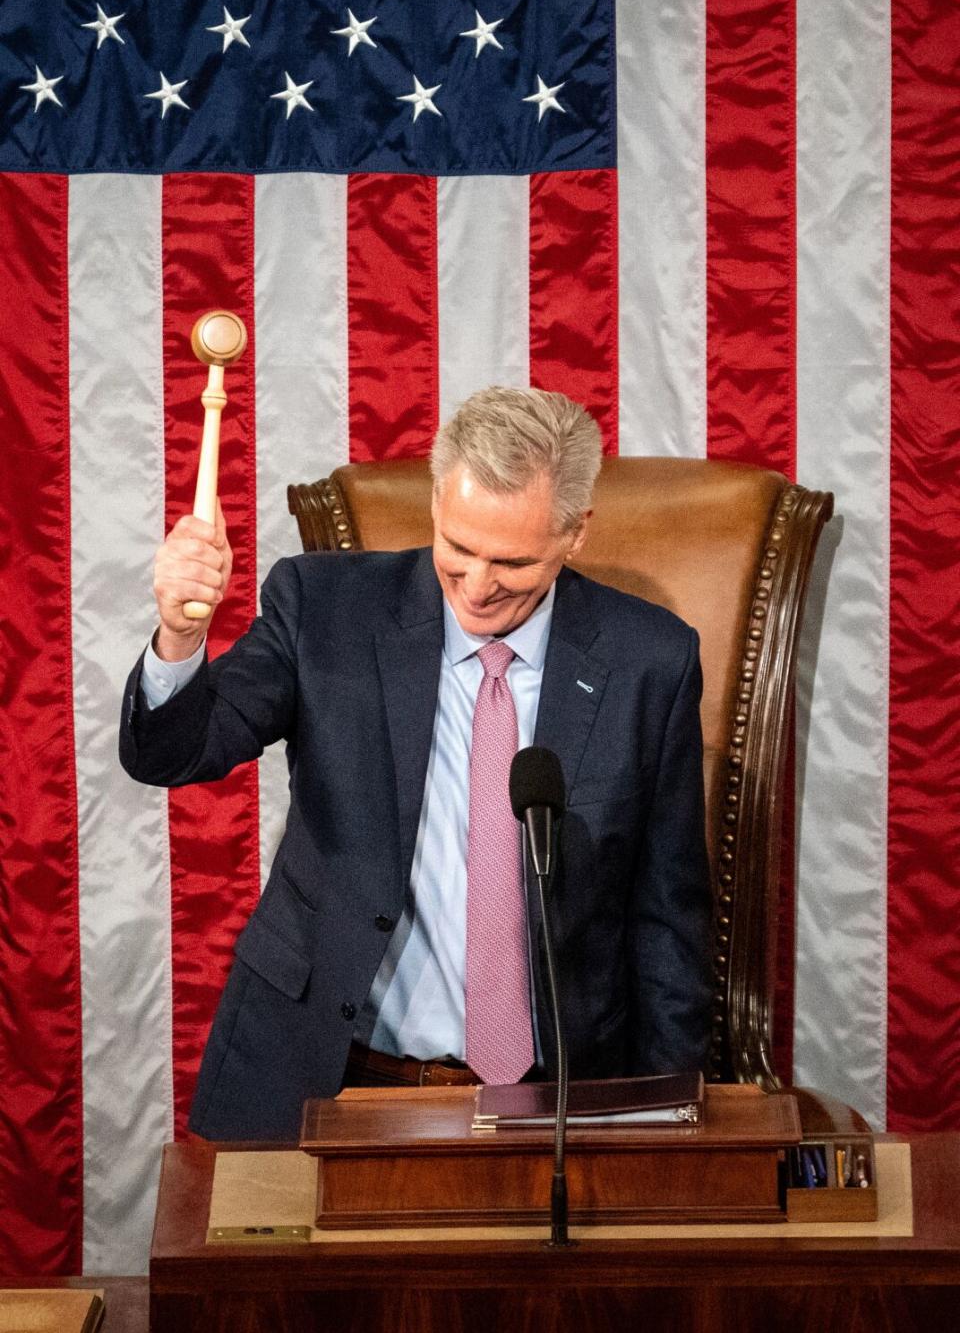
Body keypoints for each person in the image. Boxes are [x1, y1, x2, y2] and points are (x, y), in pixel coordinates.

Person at [120, 386, 712, 1140]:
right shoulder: (326, 608)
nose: (477, 585)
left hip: (550, 1103)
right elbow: (174, 751)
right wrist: (177, 634)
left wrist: (667, 1121)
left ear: (576, 533)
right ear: (437, 502)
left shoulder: (649, 661)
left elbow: (668, 923)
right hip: (326, 1076)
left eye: (513, 561)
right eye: (459, 548)